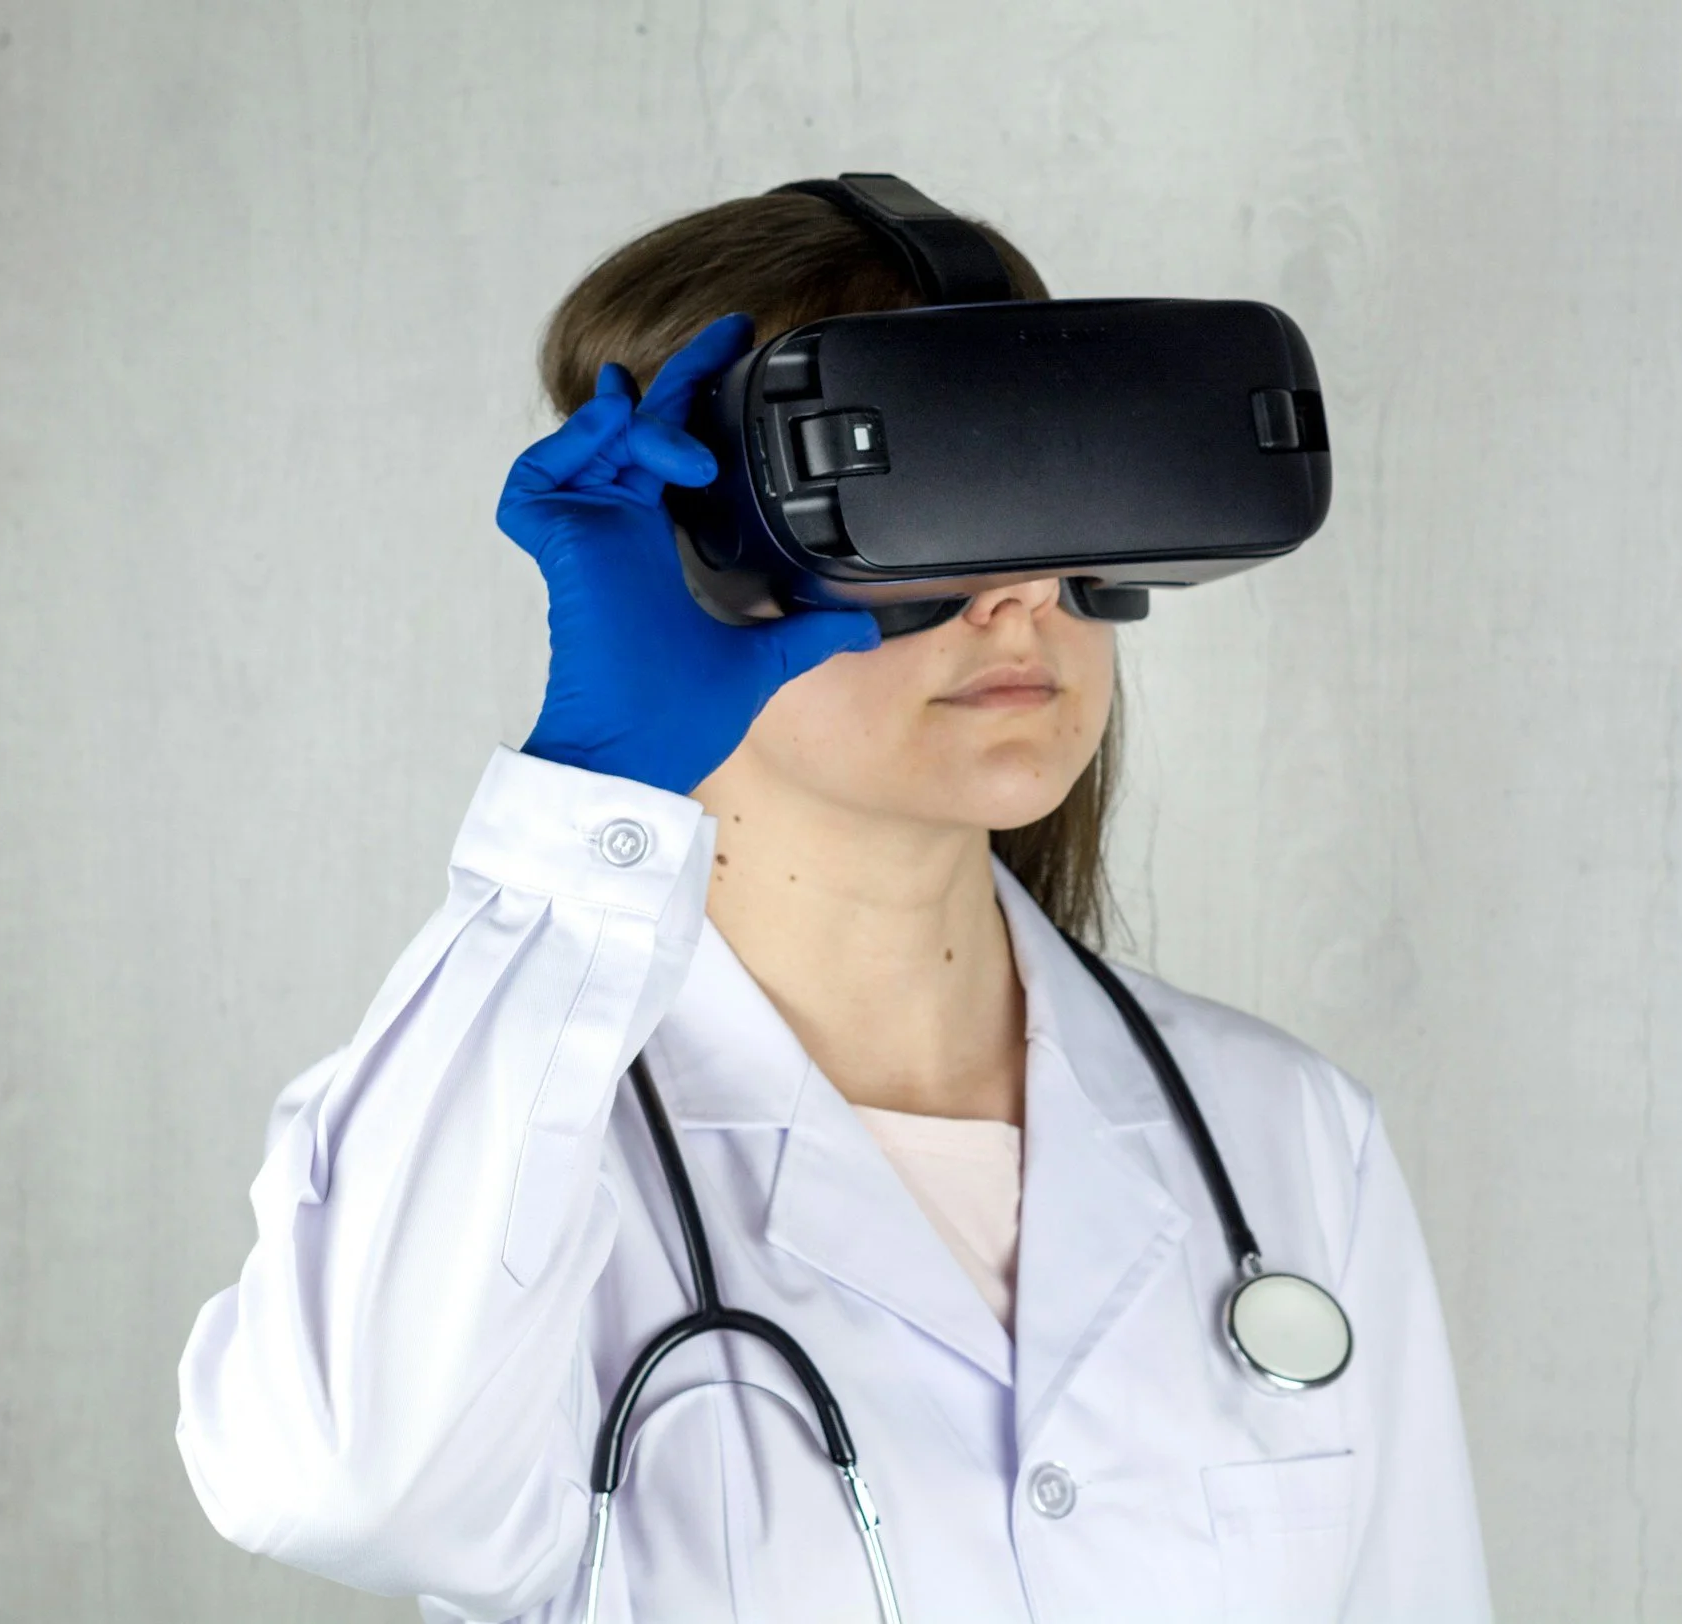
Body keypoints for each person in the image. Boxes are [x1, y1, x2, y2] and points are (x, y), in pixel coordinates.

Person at [175, 186, 1492, 1623]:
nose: (1021, 590)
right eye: (916, 491)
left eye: (1048, 473)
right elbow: (335, 1481)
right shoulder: (507, 1145)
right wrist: (587, 798)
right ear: (689, 557)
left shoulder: (1286, 1133)